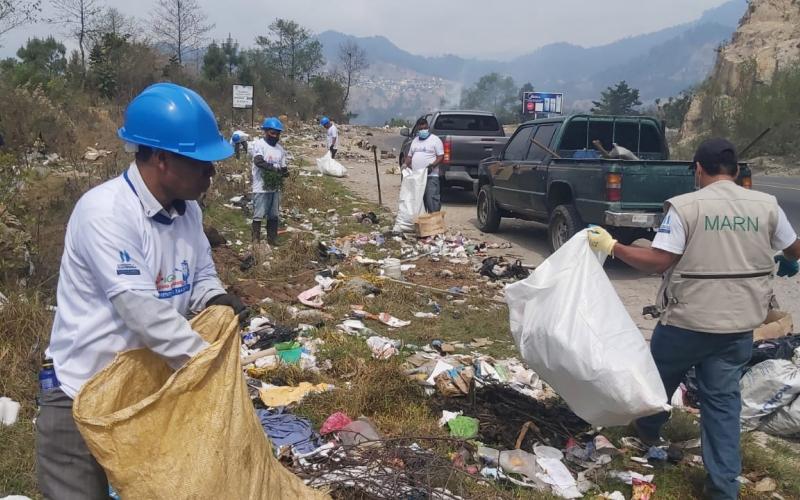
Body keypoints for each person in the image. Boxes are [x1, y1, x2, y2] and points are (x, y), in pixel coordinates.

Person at [36, 82, 247, 499]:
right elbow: (143, 313)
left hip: (144, 397)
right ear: (162, 159)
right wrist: (209, 367)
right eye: (201, 162)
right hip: (82, 396)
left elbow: (200, 273)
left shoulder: (188, 212)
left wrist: (215, 298)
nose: (211, 172)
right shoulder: (107, 213)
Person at [588, 138, 800, 500]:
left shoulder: (686, 207)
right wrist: (787, 260)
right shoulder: (767, 205)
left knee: (658, 380)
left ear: (698, 169)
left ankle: (649, 429)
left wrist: (613, 247)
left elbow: (658, 261)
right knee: (723, 404)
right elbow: (794, 248)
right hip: (738, 327)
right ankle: (723, 488)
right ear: (736, 171)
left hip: (686, 323)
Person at [249, 117, 288, 245]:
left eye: (277, 133)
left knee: (274, 215)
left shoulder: (280, 149)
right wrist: (273, 169)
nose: (275, 136)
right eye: (272, 133)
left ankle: (272, 239)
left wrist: (284, 173)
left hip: (275, 188)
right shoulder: (259, 144)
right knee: (258, 214)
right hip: (261, 186)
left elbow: (283, 167)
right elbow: (258, 161)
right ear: (266, 132)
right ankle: (256, 241)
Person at [404, 117, 444, 213]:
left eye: (425, 128)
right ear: (417, 129)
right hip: (417, 177)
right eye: (421, 129)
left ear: (428, 128)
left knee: (432, 200)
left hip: (431, 176)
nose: (423, 130)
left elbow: (440, 156)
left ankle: (434, 220)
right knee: (419, 202)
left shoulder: (435, 140)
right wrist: (405, 164)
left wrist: (432, 166)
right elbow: (409, 156)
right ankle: (422, 220)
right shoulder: (415, 141)